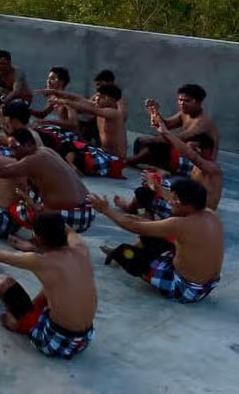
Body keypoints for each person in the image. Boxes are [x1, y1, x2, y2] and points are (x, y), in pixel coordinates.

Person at [0, 212, 96, 359]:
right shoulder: (81, 249)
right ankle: (31, 316)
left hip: (55, 343)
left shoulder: (41, 261)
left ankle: (18, 323)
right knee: (53, 286)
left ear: (38, 238)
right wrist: (43, 213)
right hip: (84, 339)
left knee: (5, 284)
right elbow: (69, 230)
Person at [91, 179, 222, 304]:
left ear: (184, 203)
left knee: (124, 252)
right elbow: (160, 229)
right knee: (152, 235)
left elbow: (134, 227)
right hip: (206, 287)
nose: (170, 202)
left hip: (184, 290)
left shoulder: (180, 224)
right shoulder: (211, 215)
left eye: (174, 199)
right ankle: (146, 255)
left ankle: (119, 256)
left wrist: (105, 210)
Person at [0, 128, 95, 235]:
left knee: (18, 209)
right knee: (30, 196)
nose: (13, 153)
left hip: (74, 217)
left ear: (28, 144)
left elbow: (3, 172)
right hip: (88, 211)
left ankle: (42, 242)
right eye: (10, 149)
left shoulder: (32, 160)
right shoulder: (45, 151)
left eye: (16, 148)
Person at [127, 84, 219, 173]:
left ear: (198, 102)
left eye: (186, 101)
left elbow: (173, 140)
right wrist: (153, 112)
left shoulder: (202, 123)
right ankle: (150, 163)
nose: (182, 103)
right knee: (141, 141)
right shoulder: (185, 113)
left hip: (197, 164)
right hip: (182, 153)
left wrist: (154, 139)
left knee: (156, 145)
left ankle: (130, 161)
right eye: (180, 100)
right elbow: (166, 124)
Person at [48, 85, 127, 178]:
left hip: (114, 160)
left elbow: (89, 109)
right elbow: (78, 98)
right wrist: (56, 92)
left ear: (112, 100)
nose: (97, 99)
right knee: (66, 145)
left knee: (75, 155)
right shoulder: (100, 107)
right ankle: (72, 167)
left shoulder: (114, 113)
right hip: (102, 153)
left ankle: (72, 169)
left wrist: (61, 101)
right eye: (98, 96)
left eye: (102, 97)